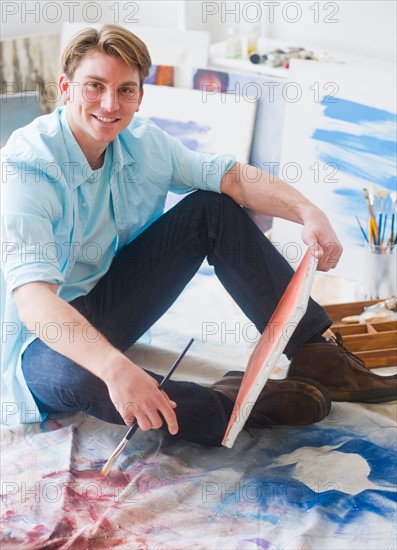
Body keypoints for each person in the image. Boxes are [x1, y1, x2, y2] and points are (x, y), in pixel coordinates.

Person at [1, 25, 395, 446]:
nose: (110, 104)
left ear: (140, 95)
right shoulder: (28, 167)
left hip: (106, 306)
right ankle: (230, 404)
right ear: (66, 87)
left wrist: (307, 211)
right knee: (74, 376)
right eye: (94, 86)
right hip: (37, 340)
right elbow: (35, 303)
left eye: (125, 90)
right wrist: (116, 369)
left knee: (212, 206)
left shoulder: (142, 143)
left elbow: (229, 177)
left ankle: (318, 357)